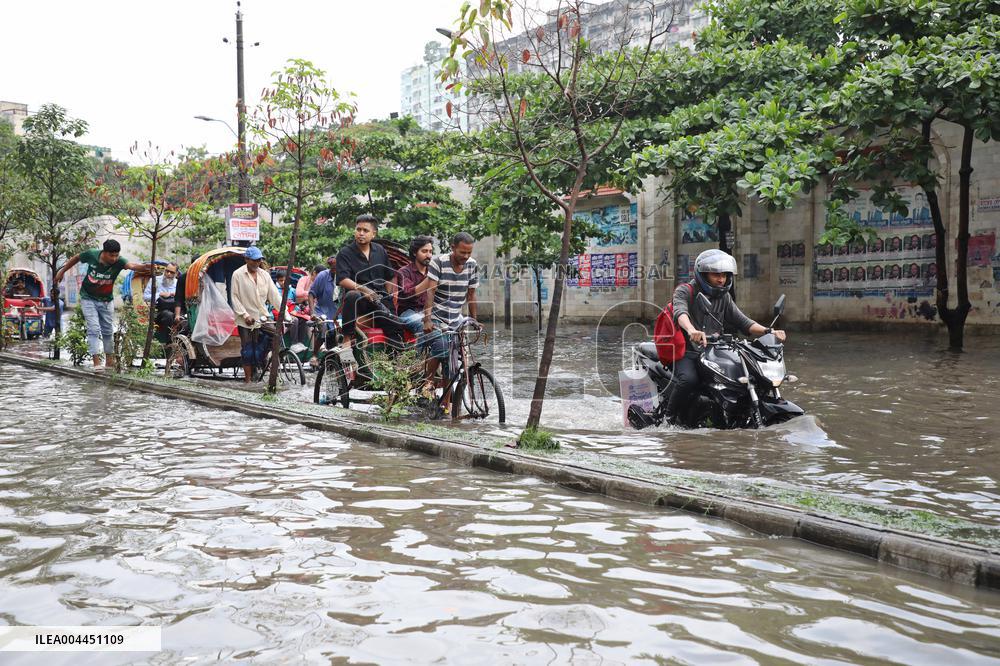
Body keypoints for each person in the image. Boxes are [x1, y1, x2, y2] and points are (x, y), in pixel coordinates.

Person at [666, 249, 786, 425]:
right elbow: (680, 313)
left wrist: (769, 331)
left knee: (740, 377)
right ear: (703, 274)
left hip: (713, 351)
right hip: (686, 351)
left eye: (724, 275)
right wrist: (692, 330)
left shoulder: (724, 296)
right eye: (716, 275)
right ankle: (667, 420)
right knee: (688, 380)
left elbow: (744, 322)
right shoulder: (685, 291)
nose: (721, 279)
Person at [54, 239, 150, 371]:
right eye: (111, 255)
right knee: (93, 329)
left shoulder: (119, 261)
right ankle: (96, 362)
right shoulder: (92, 254)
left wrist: (146, 267)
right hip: (88, 298)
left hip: (106, 300)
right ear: (104, 253)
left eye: (116, 255)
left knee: (108, 330)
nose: (114, 258)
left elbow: (132, 266)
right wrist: (62, 271)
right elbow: (76, 258)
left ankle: (109, 362)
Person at [418, 232, 480, 385]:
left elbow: (471, 295)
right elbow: (430, 291)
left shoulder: (472, 265)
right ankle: (428, 382)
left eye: (469, 252)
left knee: (454, 357)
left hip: (455, 316)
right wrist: (427, 320)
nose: (466, 256)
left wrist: (474, 320)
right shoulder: (438, 262)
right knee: (442, 347)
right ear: (453, 248)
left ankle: (448, 403)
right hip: (437, 315)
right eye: (462, 252)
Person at [335, 214, 404, 347]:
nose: (361, 233)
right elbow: (342, 279)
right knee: (352, 295)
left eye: (365, 231)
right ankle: (347, 339)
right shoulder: (345, 253)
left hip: (379, 299)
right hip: (359, 301)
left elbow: (389, 276)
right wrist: (363, 289)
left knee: (396, 328)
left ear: (373, 234)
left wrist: (388, 296)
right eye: (358, 229)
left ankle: (395, 360)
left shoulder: (380, 251)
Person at [230, 246, 282, 383]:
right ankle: (247, 381)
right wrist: (245, 315)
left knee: (275, 335)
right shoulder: (237, 274)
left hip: (263, 316)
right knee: (248, 351)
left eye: (259, 260)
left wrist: (285, 313)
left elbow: (274, 295)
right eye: (253, 260)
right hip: (245, 319)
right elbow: (234, 298)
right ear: (246, 259)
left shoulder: (265, 275)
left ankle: (263, 359)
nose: (256, 263)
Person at [395, 235, 436, 384]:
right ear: (414, 253)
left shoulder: (433, 270)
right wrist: (429, 280)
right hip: (408, 312)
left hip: (429, 311)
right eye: (424, 251)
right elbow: (407, 294)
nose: (429, 255)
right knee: (422, 324)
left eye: (430, 251)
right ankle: (413, 367)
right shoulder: (404, 272)